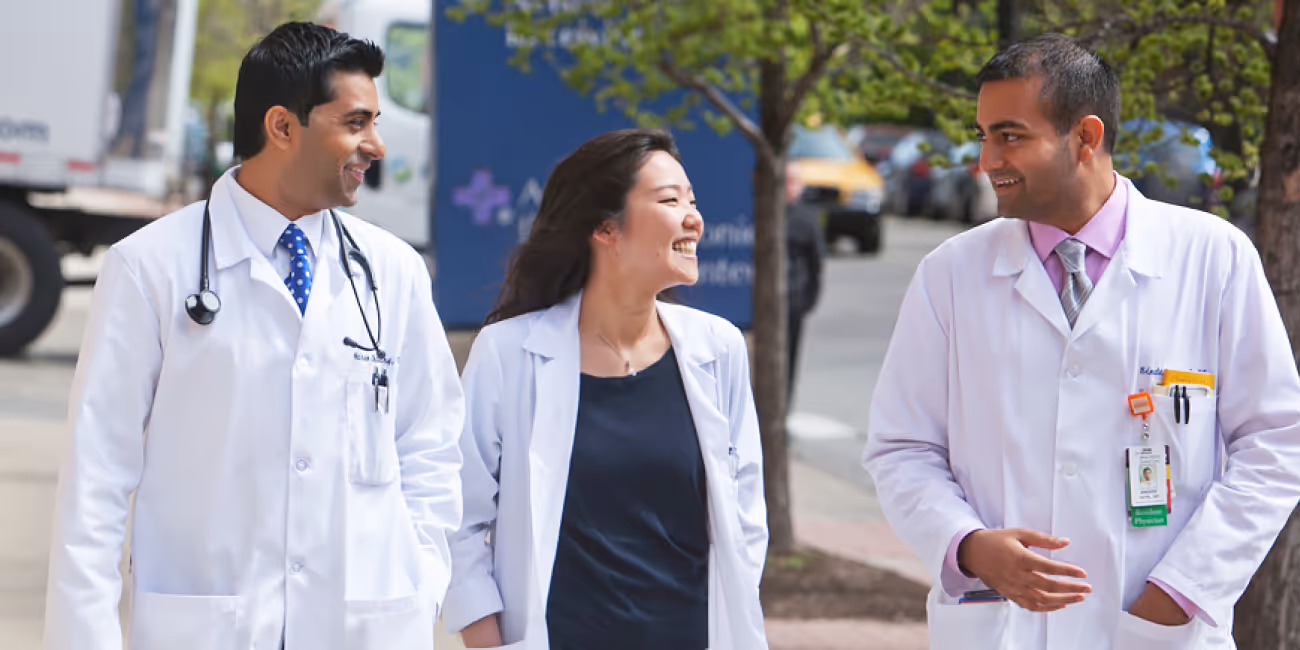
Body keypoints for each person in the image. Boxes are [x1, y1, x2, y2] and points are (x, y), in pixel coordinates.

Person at [863, 33, 1300, 649]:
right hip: (1001, 626)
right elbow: (900, 447)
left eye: (1010, 135)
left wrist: (1181, 591)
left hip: (1155, 627)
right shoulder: (951, 275)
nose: (988, 160)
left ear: (1086, 137)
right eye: (983, 135)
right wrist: (966, 546)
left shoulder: (1213, 258)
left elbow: (1273, 443)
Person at [43, 22, 465, 650]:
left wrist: (422, 579)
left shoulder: (392, 271)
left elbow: (430, 448)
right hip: (209, 626)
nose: (375, 145)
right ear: (282, 126)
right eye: (355, 122)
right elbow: (97, 476)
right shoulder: (150, 267)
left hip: (365, 626)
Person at [441, 129, 769, 649]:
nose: (694, 218)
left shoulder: (718, 349)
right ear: (605, 228)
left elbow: (746, 521)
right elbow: (455, 519)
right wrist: (489, 642)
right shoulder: (509, 353)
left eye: (692, 200)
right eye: (669, 200)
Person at [784, 163, 825, 408]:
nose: (788, 186)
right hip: (759, 306)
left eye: (792, 181)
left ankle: (783, 411)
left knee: (788, 359)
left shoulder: (806, 219)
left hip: (793, 301)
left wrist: (807, 301)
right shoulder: (760, 212)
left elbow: (816, 265)